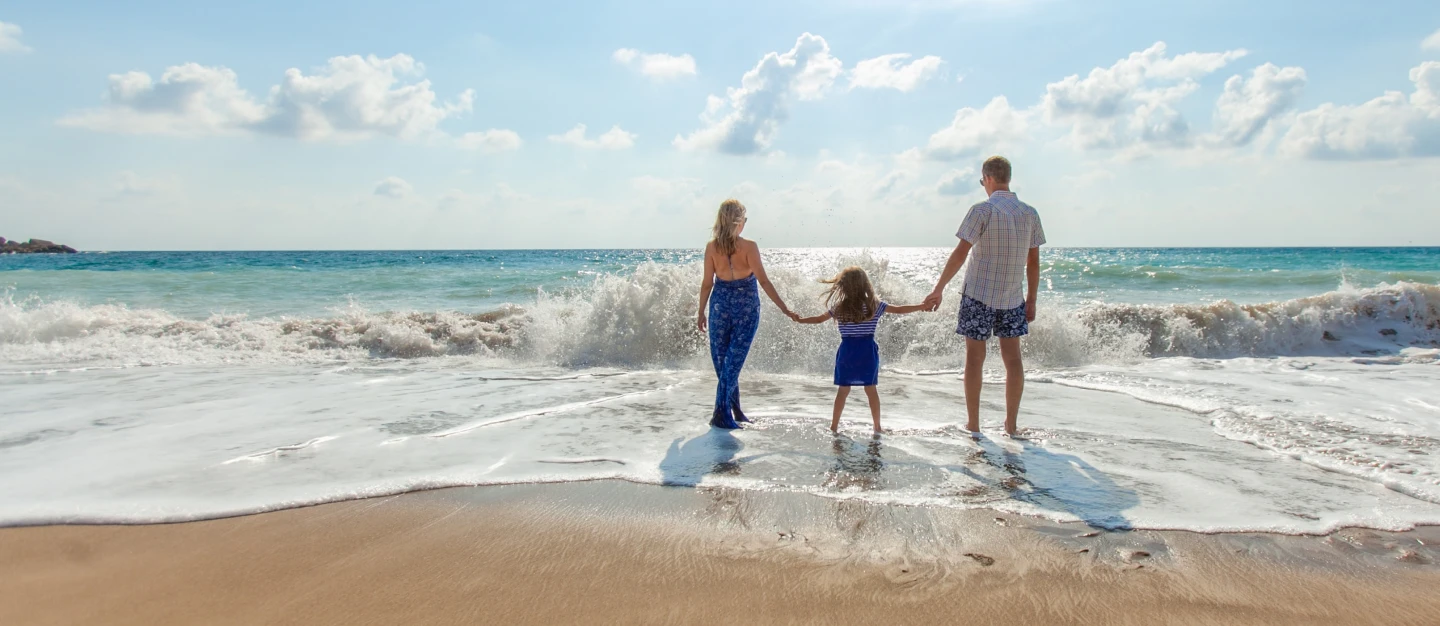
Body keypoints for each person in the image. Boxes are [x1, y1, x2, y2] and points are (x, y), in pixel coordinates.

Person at [922, 156, 1045, 437]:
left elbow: (961, 253)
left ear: (987, 178)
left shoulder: (982, 210)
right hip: (1013, 298)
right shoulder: (1030, 213)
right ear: (1008, 178)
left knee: (974, 360)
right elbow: (1034, 263)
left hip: (978, 295)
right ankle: (1011, 425)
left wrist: (939, 288)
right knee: (1013, 361)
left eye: (982, 181)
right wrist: (1033, 299)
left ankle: (974, 424)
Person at [792, 267, 928, 434]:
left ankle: (834, 426)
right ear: (865, 285)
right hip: (867, 351)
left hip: (847, 352)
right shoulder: (874, 305)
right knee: (871, 389)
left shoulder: (839, 307)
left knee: (843, 391)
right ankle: (877, 427)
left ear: (843, 286)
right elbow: (899, 309)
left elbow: (819, 319)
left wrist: (800, 320)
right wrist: (922, 306)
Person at [696, 199, 795, 429]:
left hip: (720, 306)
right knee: (730, 363)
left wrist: (701, 311)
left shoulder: (712, 247)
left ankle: (734, 410)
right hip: (746, 308)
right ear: (739, 222)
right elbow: (764, 280)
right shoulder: (749, 247)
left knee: (726, 363)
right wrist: (784, 308)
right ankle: (721, 413)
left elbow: (706, 284)